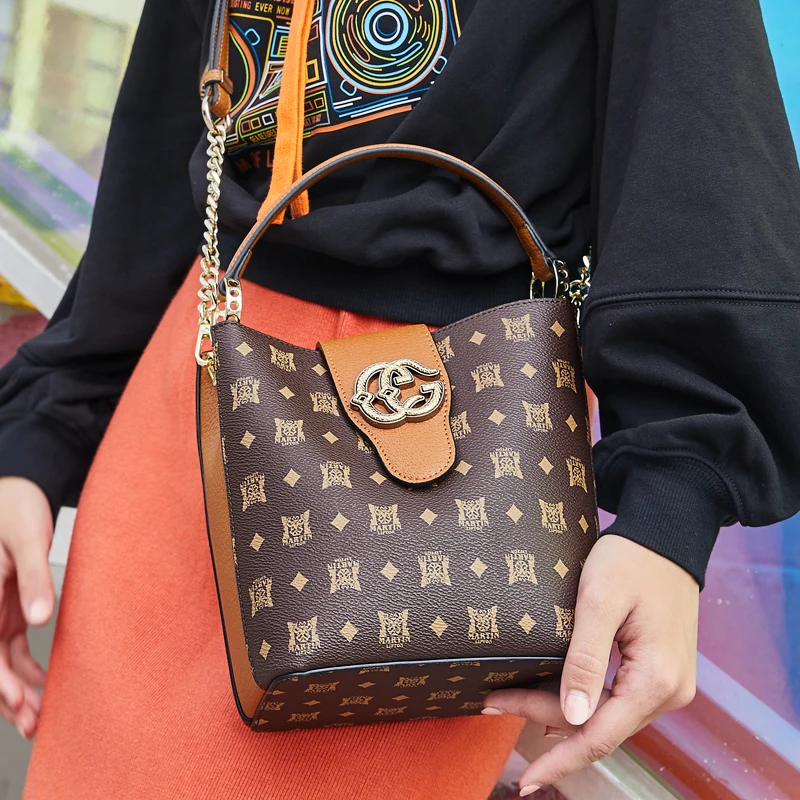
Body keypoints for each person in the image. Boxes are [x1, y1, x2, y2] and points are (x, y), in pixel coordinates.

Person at [1, 0, 799, 797]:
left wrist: (672, 514)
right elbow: (169, 150)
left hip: (458, 471)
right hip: (194, 411)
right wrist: (37, 439)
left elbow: (698, 129)